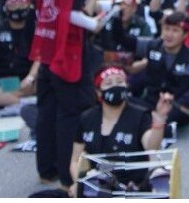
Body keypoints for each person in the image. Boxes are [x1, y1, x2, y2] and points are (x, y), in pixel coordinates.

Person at [29, 0, 107, 193]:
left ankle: (46, 169)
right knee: (70, 113)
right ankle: (67, 176)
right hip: (68, 49)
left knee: (47, 110)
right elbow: (71, 13)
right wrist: (97, 22)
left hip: (46, 44)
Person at [70, 66, 173, 197]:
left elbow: (152, 147)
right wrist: (78, 183)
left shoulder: (139, 115)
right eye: (109, 83)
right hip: (98, 185)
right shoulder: (87, 118)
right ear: (98, 92)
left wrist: (159, 120)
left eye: (120, 82)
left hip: (134, 187)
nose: (115, 86)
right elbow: (75, 160)